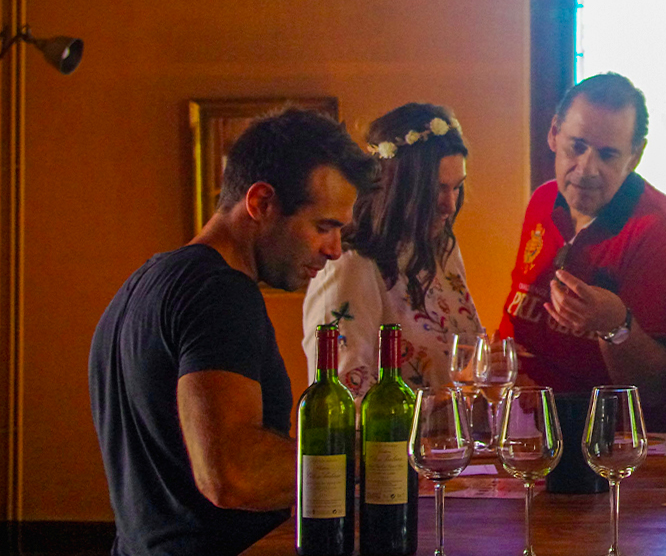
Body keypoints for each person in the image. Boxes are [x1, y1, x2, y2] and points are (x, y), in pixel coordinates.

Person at [89, 108, 377, 556]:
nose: (336, 250)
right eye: (324, 227)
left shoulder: (143, 282)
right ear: (260, 203)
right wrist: (379, 455)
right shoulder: (220, 293)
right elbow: (234, 475)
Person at [498, 72, 666, 422]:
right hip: (519, 422)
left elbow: (662, 392)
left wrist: (616, 328)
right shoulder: (544, 199)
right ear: (553, 133)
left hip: (609, 440)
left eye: (608, 155)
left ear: (635, 155)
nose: (586, 168)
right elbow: (519, 311)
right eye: (576, 146)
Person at [302, 103, 483, 393]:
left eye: (456, 187)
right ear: (398, 185)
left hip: (451, 439)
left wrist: (485, 370)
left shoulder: (441, 250)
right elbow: (346, 397)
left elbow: (461, 366)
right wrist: (448, 399)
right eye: (437, 189)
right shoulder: (351, 265)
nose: (449, 205)